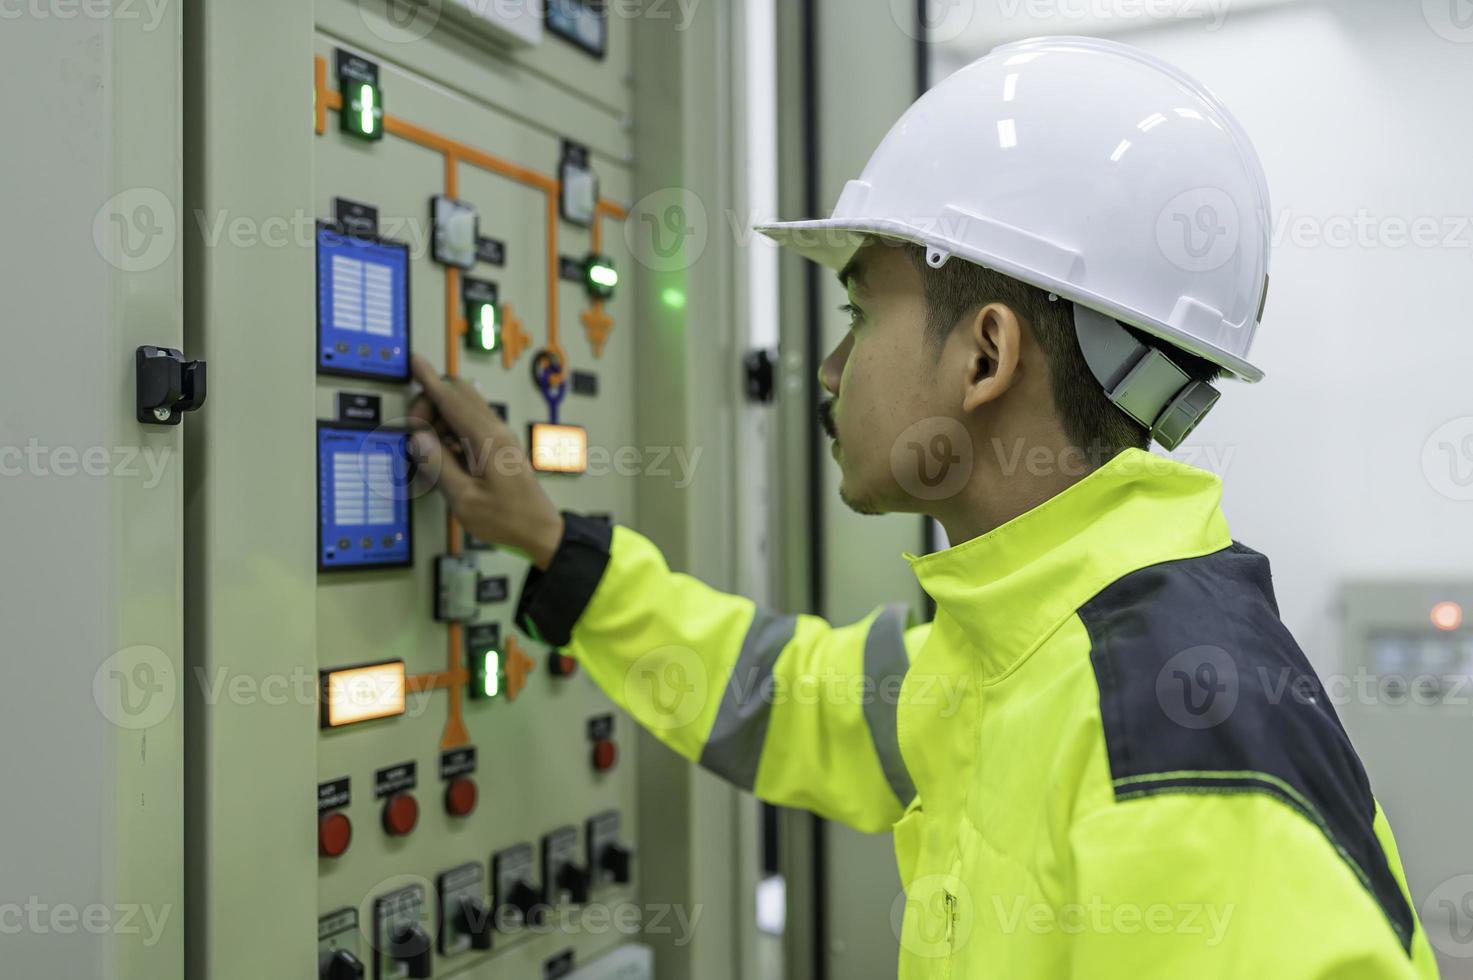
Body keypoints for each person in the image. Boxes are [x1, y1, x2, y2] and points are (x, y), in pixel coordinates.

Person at [406, 36, 1438, 980]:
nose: (832, 365)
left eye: (860, 312)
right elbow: (789, 698)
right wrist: (551, 543)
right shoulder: (1016, 636)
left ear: (985, 353)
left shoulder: (1173, 734)